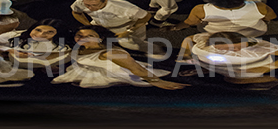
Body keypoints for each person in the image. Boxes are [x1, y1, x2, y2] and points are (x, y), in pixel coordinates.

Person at [52, 27, 183, 89]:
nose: (81, 38)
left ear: (99, 38)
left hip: (119, 73)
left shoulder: (110, 53)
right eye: (79, 35)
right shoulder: (79, 48)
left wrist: (159, 83)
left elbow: (135, 68)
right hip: (91, 70)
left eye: (89, 35)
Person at [171, 0, 276, 38]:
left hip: (213, 32)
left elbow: (189, 23)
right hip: (252, 32)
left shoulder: (201, 10)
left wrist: (176, 27)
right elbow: (271, 17)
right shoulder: (260, 6)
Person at [71, 0, 153, 51]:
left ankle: (154, 50)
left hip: (126, 26)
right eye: (87, 5)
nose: (90, 8)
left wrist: (128, 31)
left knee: (133, 44)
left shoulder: (124, 7)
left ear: (105, 1)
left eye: (95, 5)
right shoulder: (80, 2)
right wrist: (90, 26)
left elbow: (146, 16)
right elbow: (76, 12)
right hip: (100, 25)